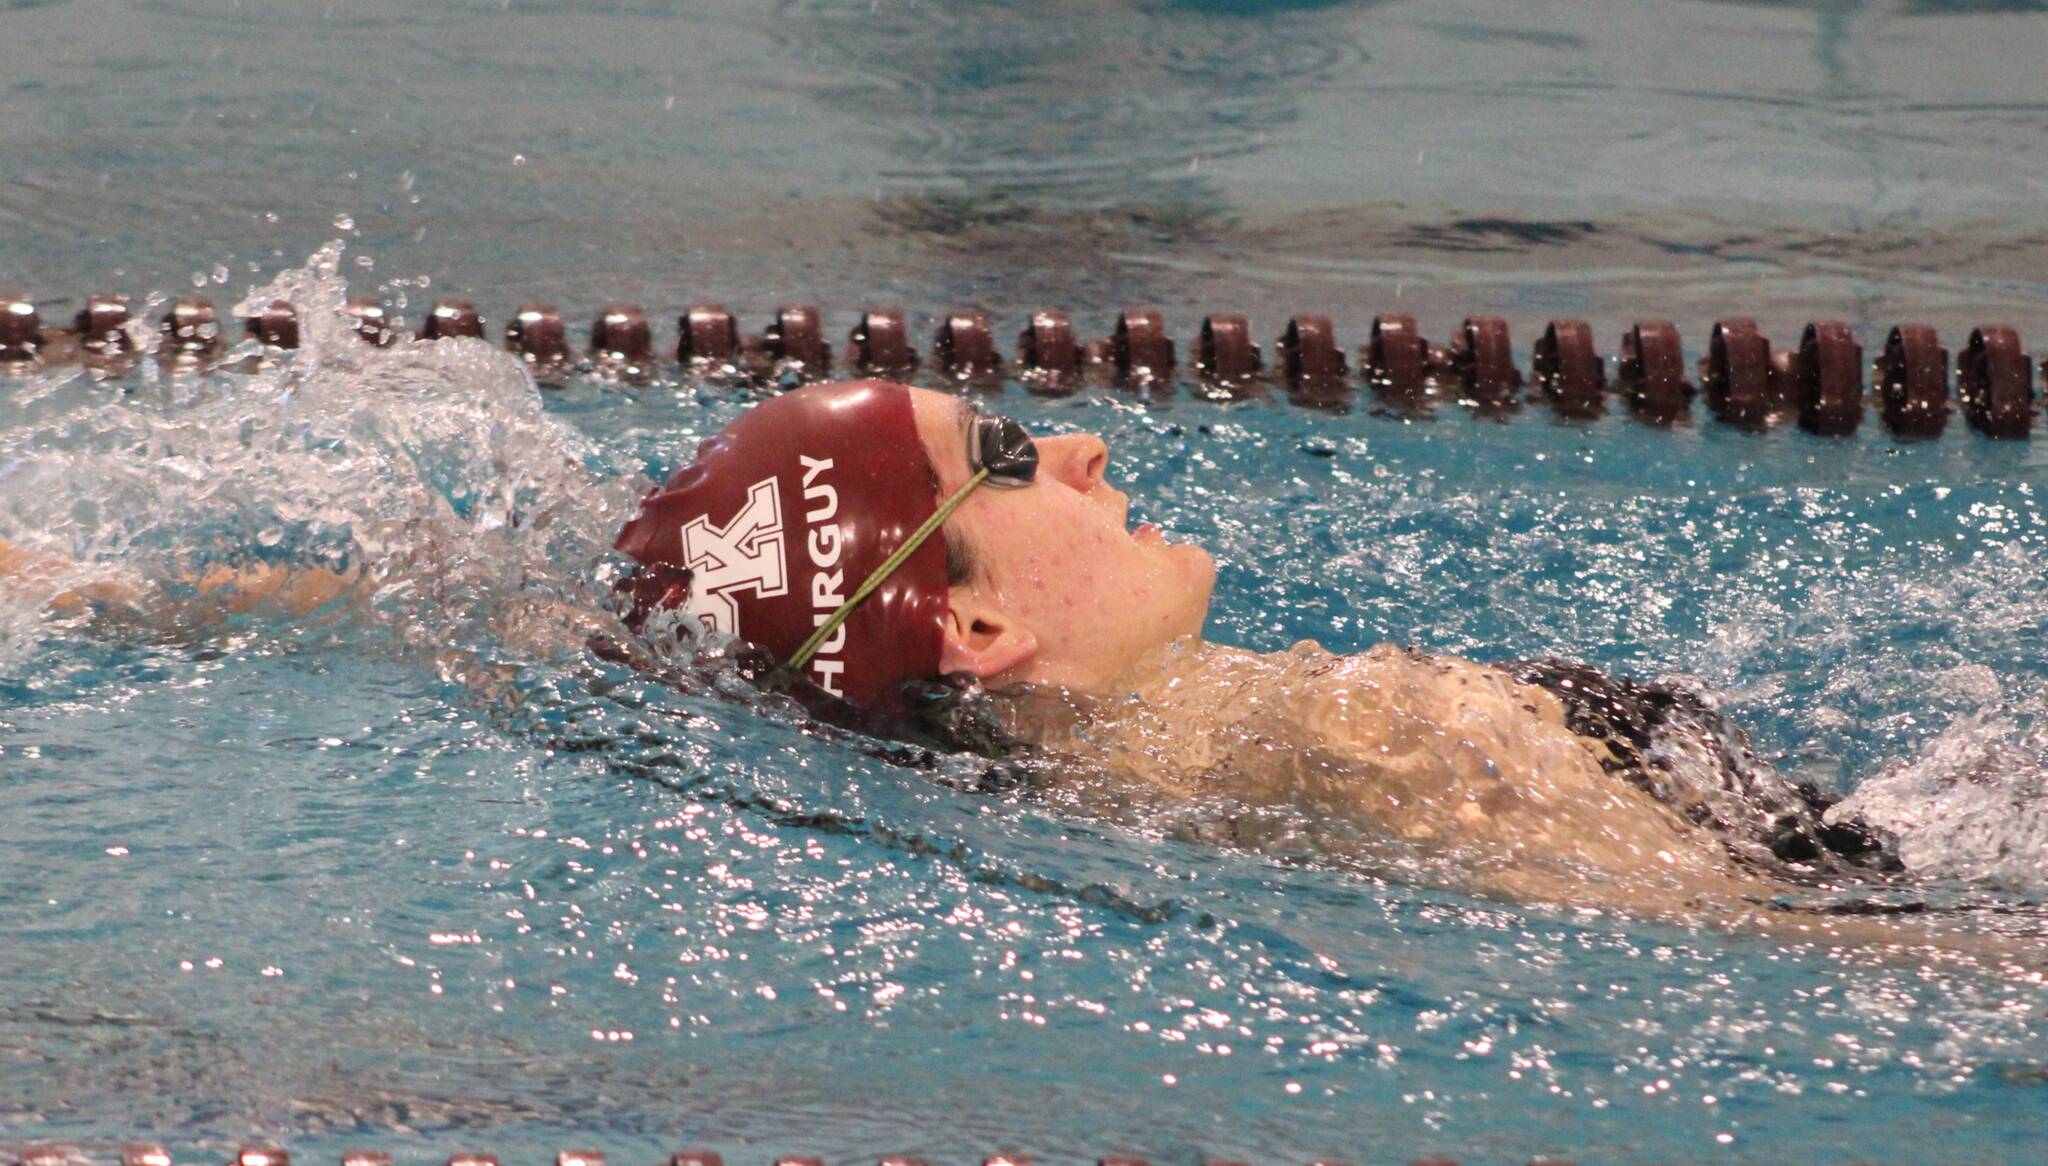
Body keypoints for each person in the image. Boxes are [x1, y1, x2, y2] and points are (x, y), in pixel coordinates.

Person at [0, 380, 2004, 952]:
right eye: (1015, 457)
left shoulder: (995, 771)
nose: (1095, 444)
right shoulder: (1406, 742)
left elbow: (533, 617)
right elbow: (1849, 960)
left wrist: (107, 595)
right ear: (971, 623)